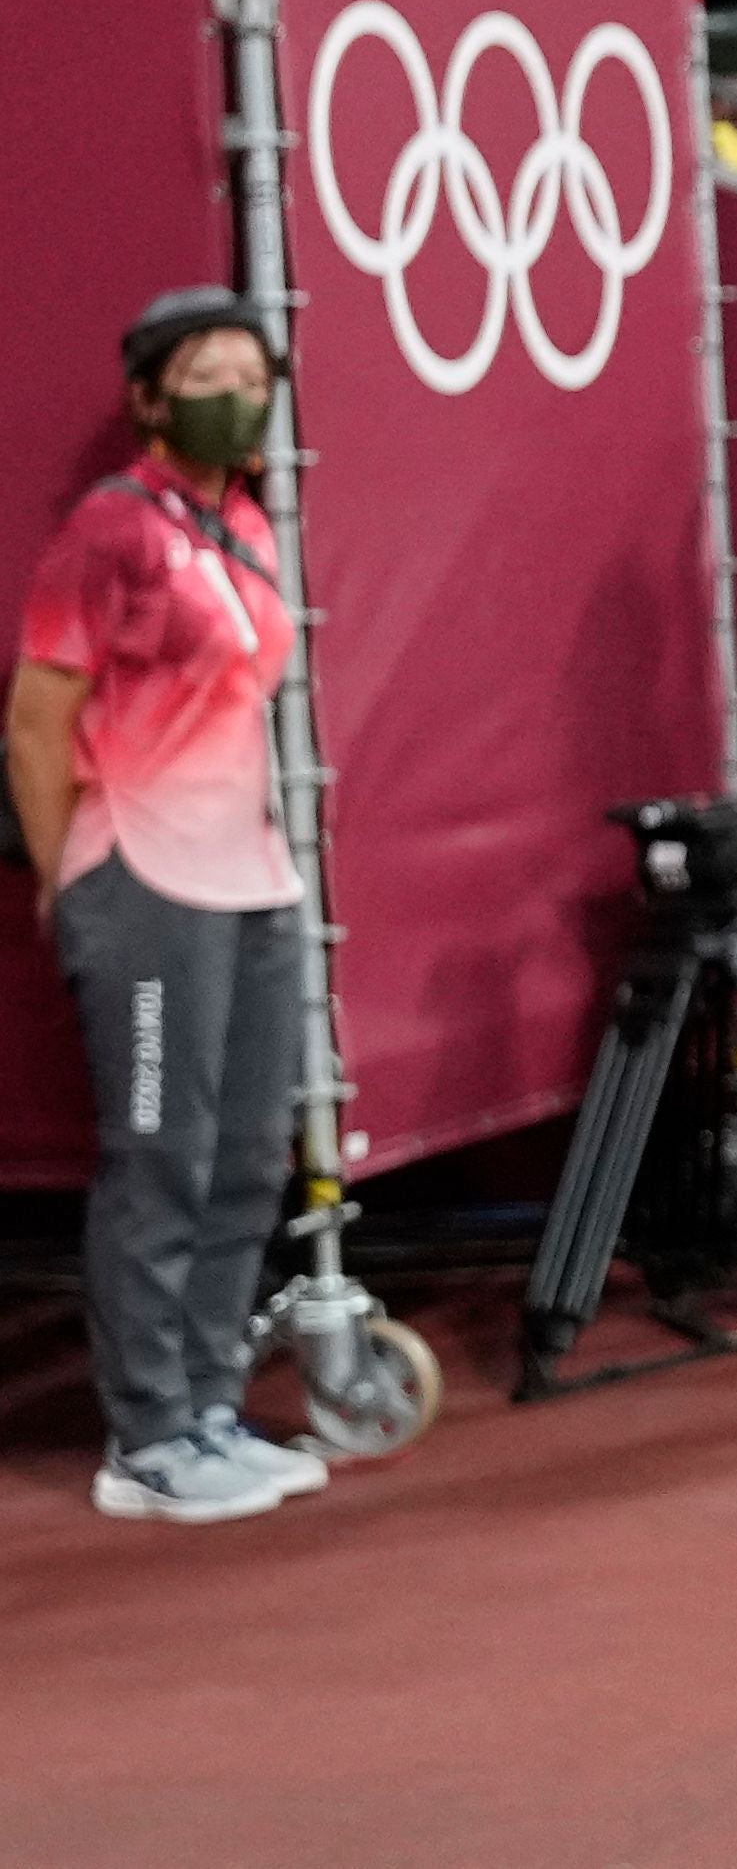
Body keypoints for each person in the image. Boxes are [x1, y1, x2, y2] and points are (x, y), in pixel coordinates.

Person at [8, 289, 330, 1523]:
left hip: (249, 878)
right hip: (142, 877)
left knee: (248, 1155)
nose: (236, 390)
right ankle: (145, 1437)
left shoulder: (241, 521)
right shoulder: (110, 532)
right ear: (148, 396)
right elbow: (36, 723)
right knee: (162, 1156)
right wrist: (69, 877)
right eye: (207, 369)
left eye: (253, 369)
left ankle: (207, 1403)